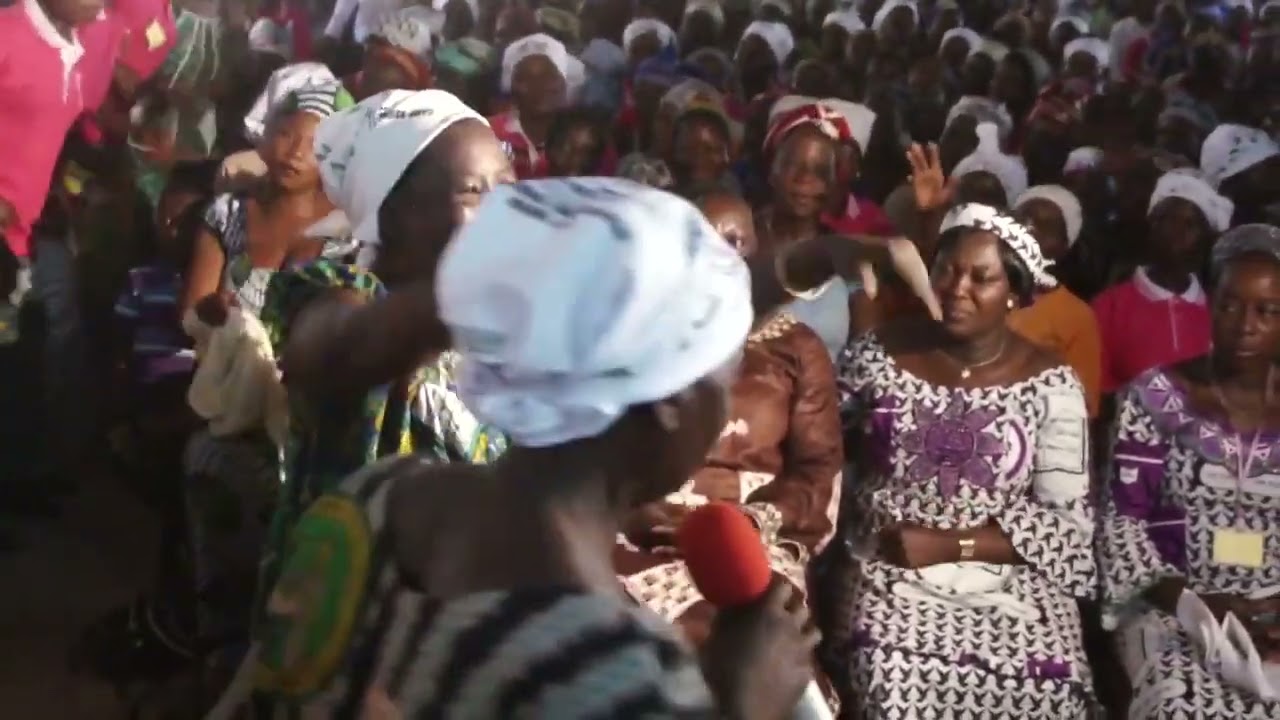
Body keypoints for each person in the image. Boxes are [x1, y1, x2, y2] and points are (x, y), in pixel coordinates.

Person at [207, 90, 938, 716]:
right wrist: (734, 704)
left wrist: (815, 259)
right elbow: (335, 349)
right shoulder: (612, 672)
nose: (501, 212)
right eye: (474, 191)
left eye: (507, 188)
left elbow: (666, 308)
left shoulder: (386, 498)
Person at [828, 203, 1097, 717]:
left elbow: (1068, 530)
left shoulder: (1052, 383)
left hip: (1012, 579)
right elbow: (822, 444)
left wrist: (952, 543)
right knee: (892, 678)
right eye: (947, 270)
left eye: (982, 277)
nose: (957, 288)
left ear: (1015, 294)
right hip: (889, 568)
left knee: (1051, 688)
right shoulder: (878, 353)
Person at [617, 188, 843, 708]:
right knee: (659, 653)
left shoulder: (796, 346)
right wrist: (641, 513)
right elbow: (607, 452)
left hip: (755, 538)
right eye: (699, 241)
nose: (719, 257)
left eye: (735, 242)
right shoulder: (638, 337)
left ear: (758, 254)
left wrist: (750, 524)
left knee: (771, 654)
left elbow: (818, 473)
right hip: (645, 539)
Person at [1100, 223, 1280, 718]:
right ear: (1210, 305)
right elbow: (1121, 525)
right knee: (1180, 707)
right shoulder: (1157, 396)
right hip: (1172, 607)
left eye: (1267, 311)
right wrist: (1191, 601)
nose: (1246, 324)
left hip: (1273, 615)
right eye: (1229, 305)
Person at [1092, 170, 1232, 394]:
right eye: (1167, 220)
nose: (1176, 232)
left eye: (1190, 224)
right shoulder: (1109, 307)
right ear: (1150, 226)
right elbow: (1096, 393)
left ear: (1206, 238)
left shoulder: (1221, 310)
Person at [1009, 185, 1103, 418]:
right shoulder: (974, 290)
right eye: (1022, 220)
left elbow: (1084, 406)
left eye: (1046, 228)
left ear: (1064, 248)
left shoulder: (1076, 315)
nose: (1029, 230)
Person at [490, 33, 580, 179]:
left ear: (563, 84)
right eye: (525, 78)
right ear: (510, 87)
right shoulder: (488, 135)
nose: (538, 86)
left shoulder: (588, 139)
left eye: (549, 76)